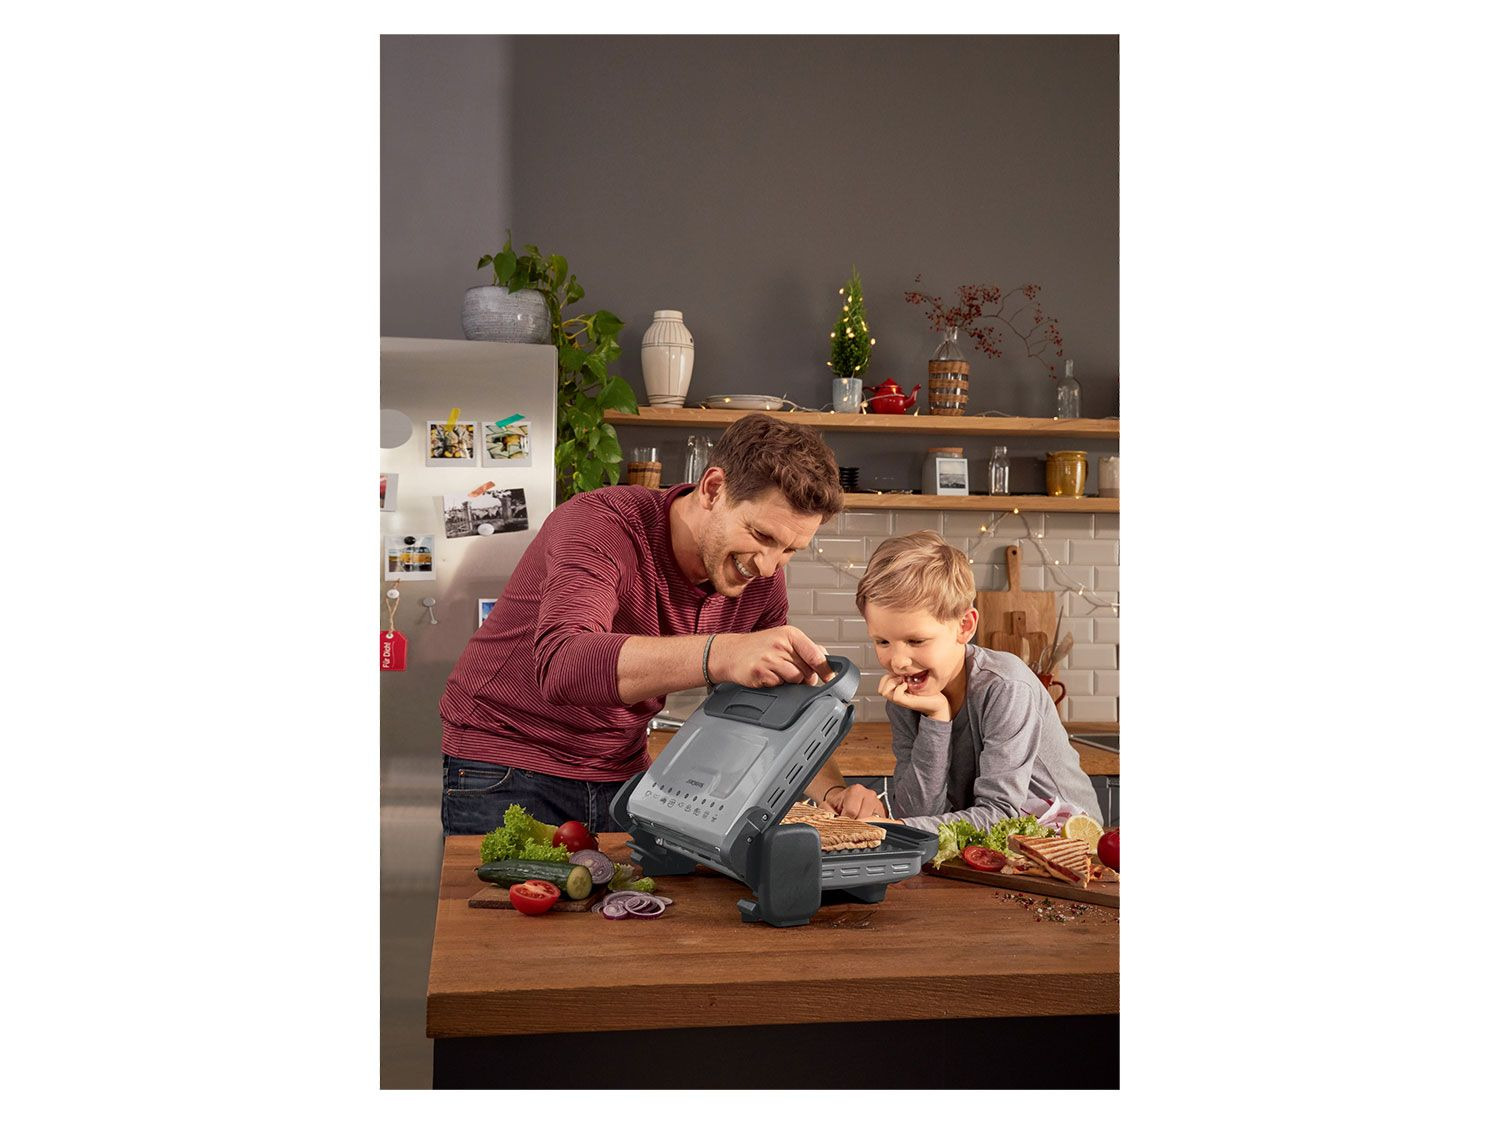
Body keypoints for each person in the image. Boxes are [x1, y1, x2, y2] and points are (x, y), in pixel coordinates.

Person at [438, 413, 886, 836]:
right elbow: (563, 665)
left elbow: (780, 709)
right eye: (762, 535)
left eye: (790, 550)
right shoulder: (601, 523)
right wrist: (723, 653)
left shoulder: (761, 579)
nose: (768, 566)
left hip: (622, 772)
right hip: (505, 761)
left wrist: (832, 791)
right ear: (713, 489)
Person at [853, 531, 1102, 832]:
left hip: (1066, 839)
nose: (898, 662)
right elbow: (919, 811)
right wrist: (936, 718)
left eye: (916, 641)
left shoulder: (1005, 686)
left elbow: (1001, 815)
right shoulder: (907, 698)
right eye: (882, 641)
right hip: (984, 843)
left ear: (965, 626)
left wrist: (897, 829)